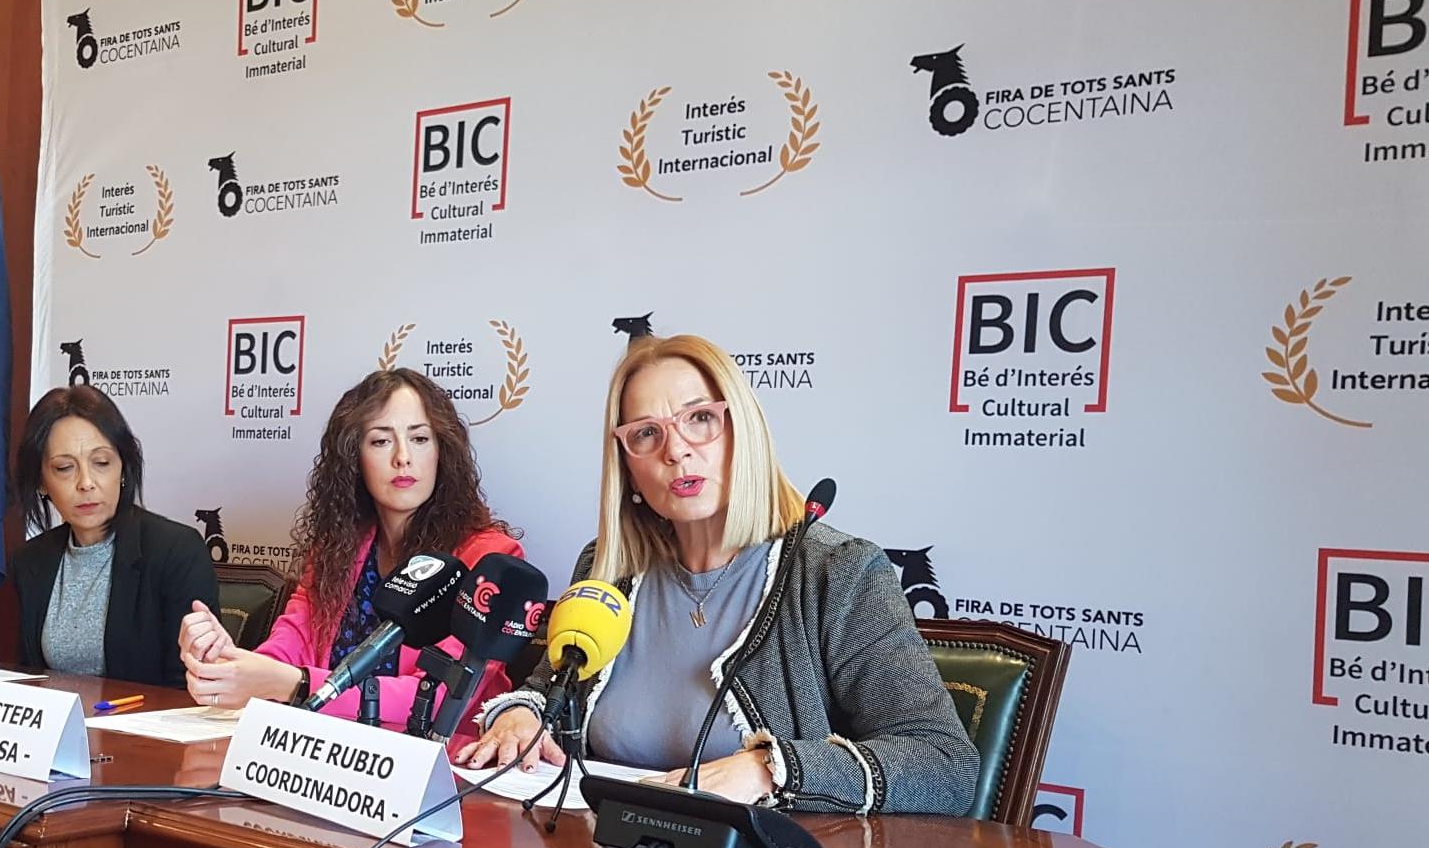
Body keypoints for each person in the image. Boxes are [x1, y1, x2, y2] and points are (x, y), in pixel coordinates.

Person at [456, 335, 978, 815]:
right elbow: (551, 690)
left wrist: (766, 770)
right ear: (628, 466)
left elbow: (945, 766)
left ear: (743, 432)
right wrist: (521, 716)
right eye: (645, 433)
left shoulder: (836, 573)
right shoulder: (609, 567)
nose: (676, 450)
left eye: (700, 419)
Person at [180, 369, 522, 725]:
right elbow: (289, 641)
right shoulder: (340, 547)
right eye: (381, 441)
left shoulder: (491, 559)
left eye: (420, 439)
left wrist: (296, 685)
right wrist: (233, 663)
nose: (403, 457)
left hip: (438, 763)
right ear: (353, 458)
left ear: (442, 453)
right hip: (327, 752)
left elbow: (442, 695)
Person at [10, 385, 217, 686]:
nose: (86, 483)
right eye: (65, 468)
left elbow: (189, 685)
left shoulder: (176, 551)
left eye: (102, 463)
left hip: (144, 727)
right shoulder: (30, 561)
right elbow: (31, 677)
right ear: (41, 482)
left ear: (123, 469)